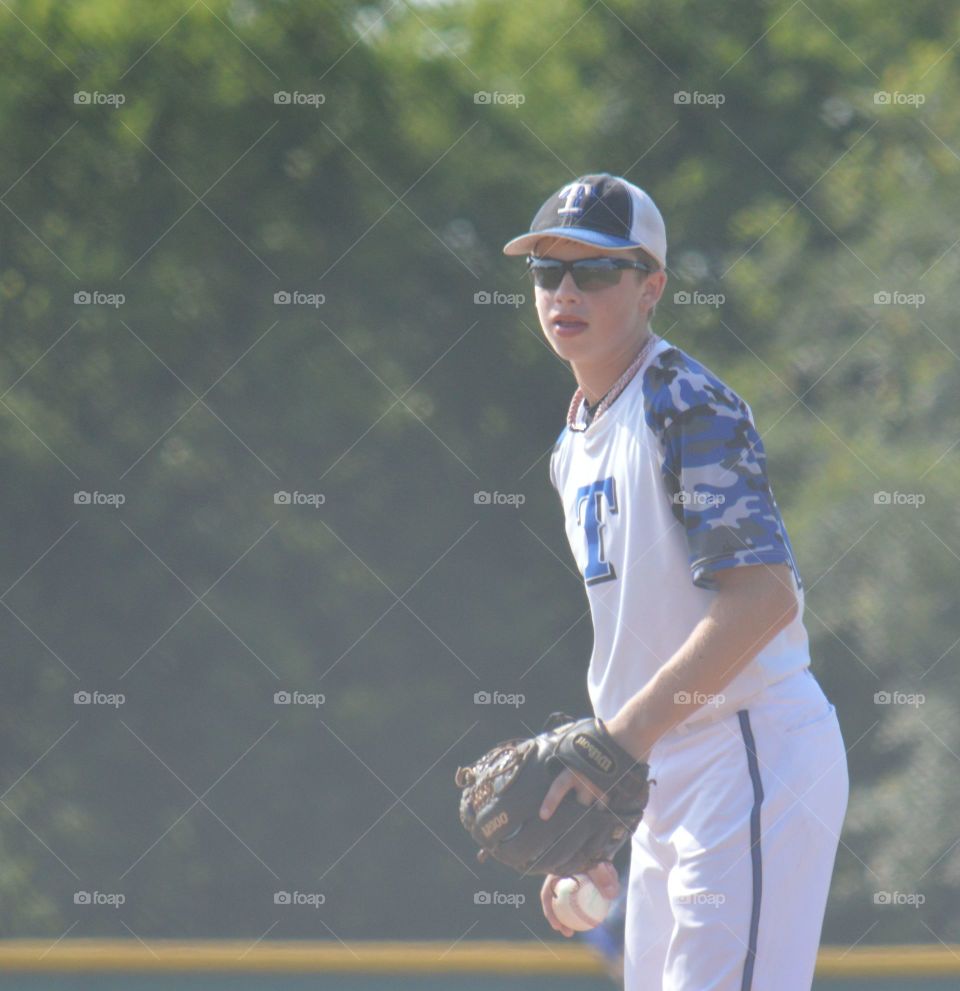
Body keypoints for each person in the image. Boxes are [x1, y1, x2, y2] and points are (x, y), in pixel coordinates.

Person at [500, 173, 849, 991]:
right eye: (548, 271)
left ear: (651, 284)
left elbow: (764, 598)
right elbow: (639, 637)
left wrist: (615, 750)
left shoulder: (683, 402)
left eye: (595, 270)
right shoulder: (572, 442)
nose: (565, 290)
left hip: (749, 748)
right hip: (662, 772)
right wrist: (599, 820)